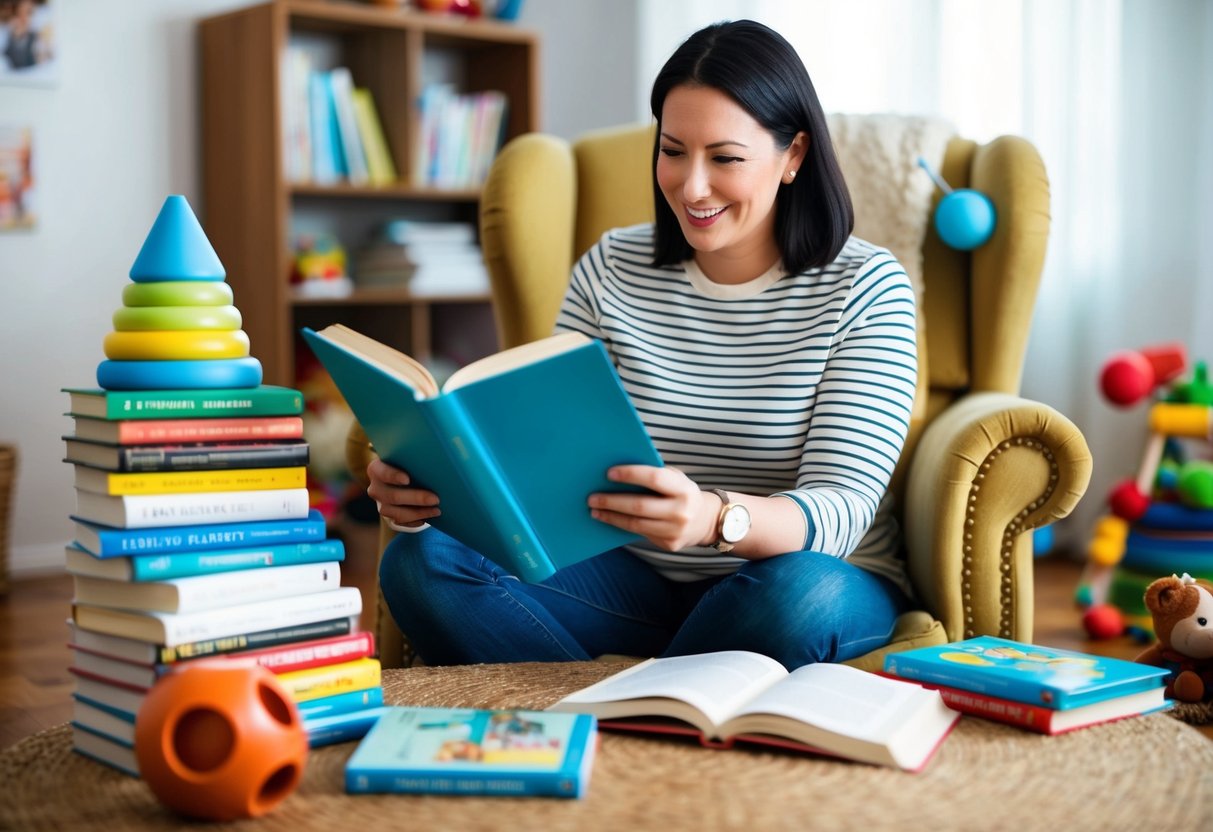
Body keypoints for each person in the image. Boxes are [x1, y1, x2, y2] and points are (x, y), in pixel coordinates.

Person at [368, 19, 918, 671]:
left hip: (802, 575)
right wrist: (431, 485)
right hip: (632, 583)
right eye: (673, 150)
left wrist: (714, 520)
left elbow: (843, 506)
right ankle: (626, 713)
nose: (691, 186)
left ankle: (601, 701)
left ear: (793, 154)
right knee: (421, 559)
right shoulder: (611, 267)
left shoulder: (865, 286)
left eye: (725, 158)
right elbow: (542, 451)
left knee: (799, 601)